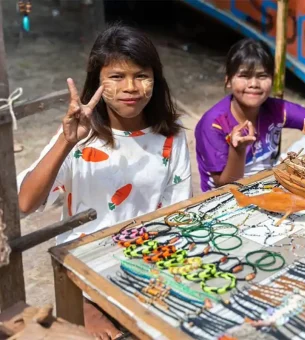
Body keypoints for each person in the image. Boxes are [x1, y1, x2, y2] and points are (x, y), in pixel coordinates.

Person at [17, 24, 192, 339]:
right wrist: (66, 143)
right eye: (116, 77)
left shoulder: (171, 137)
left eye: (141, 75)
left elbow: (176, 218)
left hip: (149, 268)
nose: (131, 87)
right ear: (96, 81)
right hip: (83, 275)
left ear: (156, 78)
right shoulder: (79, 138)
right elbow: (26, 203)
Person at [195, 38, 305, 192]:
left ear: (272, 80)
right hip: (226, 194)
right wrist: (238, 151)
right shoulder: (214, 123)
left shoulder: (277, 109)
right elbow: (224, 184)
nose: (253, 84)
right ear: (228, 81)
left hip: (269, 179)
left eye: (262, 76)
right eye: (245, 76)